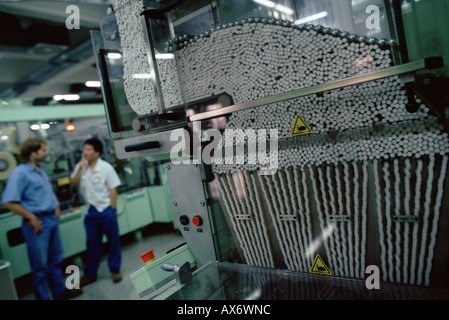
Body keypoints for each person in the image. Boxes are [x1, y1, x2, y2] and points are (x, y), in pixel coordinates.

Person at [2, 137, 83, 300]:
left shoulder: (39, 169)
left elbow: (46, 192)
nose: (47, 153)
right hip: (37, 224)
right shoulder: (20, 173)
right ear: (32, 153)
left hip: (50, 220)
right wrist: (31, 216)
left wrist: (56, 206)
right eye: (43, 150)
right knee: (40, 267)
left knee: (55, 260)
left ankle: (59, 292)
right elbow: (9, 202)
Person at [70, 138, 122, 286]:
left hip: (106, 210)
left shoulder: (106, 167)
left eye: (88, 150)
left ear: (97, 152)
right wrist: (79, 169)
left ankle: (115, 269)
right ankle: (90, 274)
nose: (84, 152)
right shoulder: (80, 167)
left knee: (113, 241)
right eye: (84, 149)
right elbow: (73, 184)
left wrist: (111, 209)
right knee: (92, 244)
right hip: (90, 211)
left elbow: (113, 189)